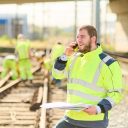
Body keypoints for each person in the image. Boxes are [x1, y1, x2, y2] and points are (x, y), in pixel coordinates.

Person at [52, 25, 123, 128]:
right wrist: (65, 56)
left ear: (93, 38)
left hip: (93, 121)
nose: (79, 40)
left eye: (82, 37)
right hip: (70, 118)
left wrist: (98, 108)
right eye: (77, 37)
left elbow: (116, 94)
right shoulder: (74, 58)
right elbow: (57, 74)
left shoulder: (108, 63)